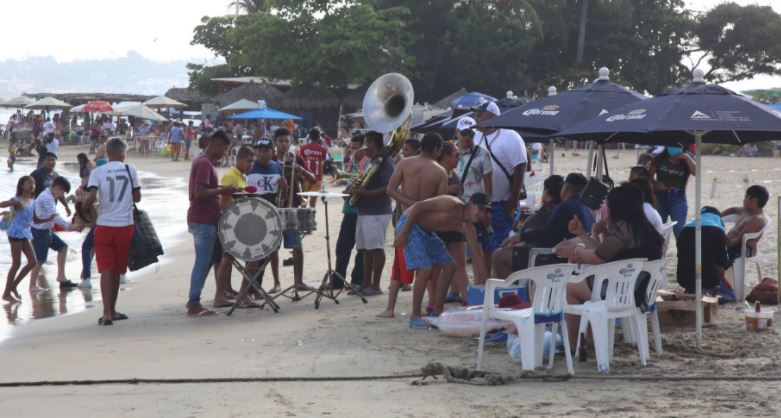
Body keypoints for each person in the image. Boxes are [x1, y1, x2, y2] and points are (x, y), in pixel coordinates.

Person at [554, 184, 664, 346]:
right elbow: (604, 253)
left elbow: (598, 258)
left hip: (620, 291)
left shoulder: (624, 228)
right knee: (583, 286)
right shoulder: (642, 227)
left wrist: (575, 251)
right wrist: (584, 234)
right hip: (636, 290)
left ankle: (573, 344)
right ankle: (589, 341)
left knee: (570, 287)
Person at [395, 193, 491, 327]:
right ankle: (415, 316)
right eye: (480, 209)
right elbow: (418, 206)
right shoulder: (451, 203)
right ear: (470, 204)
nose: (482, 214)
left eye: (485, 211)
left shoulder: (469, 228)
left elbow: (477, 256)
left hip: (427, 233)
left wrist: (489, 283)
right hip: (410, 225)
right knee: (425, 268)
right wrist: (404, 232)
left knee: (450, 265)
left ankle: (437, 310)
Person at [380, 133, 448, 318]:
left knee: (400, 266)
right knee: (427, 267)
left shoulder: (405, 163)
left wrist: (409, 202)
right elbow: (440, 204)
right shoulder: (440, 171)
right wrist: (419, 205)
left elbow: (391, 190)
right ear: (436, 150)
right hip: (424, 224)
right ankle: (427, 307)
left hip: (404, 220)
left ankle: (391, 309)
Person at [82, 138, 141, 325]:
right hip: (125, 225)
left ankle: (107, 313)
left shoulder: (97, 171)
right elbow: (137, 197)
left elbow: (91, 197)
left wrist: (82, 209)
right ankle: (113, 309)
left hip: (105, 224)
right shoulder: (130, 169)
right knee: (117, 269)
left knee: (106, 268)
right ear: (121, 153)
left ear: (107, 153)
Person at [493, 173, 593, 279]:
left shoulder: (565, 206)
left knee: (499, 256)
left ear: (566, 188)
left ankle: (515, 293)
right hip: (571, 260)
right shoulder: (587, 209)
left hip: (550, 258)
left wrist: (520, 237)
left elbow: (546, 231)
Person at [186, 130, 242, 317]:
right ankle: (194, 303)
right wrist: (222, 190)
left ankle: (194, 300)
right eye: (225, 149)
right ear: (216, 145)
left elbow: (205, 188)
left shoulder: (204, 161)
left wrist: (220, 189)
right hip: (202, 219)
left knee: (207, 261)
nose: (225, 154)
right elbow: (199, 193)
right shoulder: (204, 164)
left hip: (205, 218)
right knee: (202, 262)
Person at [473, 101, 527, 269]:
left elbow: (520, 166)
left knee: (500, 245)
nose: (477, 117)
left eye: (480, 114)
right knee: (483, 246)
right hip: (479, 205)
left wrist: (514, 197)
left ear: (492, 116)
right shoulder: (476, 136)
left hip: (503, 203)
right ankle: (486, 279)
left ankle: (501, 281)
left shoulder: (510, 136)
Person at [352, 132, 394, 296]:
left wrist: (365, 193)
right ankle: (366, 283)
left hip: (377, 211)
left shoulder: (385, 163)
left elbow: (389, 187)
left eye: (366, 143)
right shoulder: (372, 161)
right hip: (365, 210)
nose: (364, 147)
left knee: (376, 248)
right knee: (366, 249)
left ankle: (376, 285)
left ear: (373, 144)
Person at [213, 145, 256, 309]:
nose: (251, 164)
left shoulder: (242, 176)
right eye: (248, 161)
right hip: (231, 223)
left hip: (241, 222)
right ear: (238, 160)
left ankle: (235, 293)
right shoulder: (231, 176)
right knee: (227, 260)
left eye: (253, 161)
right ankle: (222, 296)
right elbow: (223, 204)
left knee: (231, 260)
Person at [274, 128, 316, 291]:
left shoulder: (297, 159)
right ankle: (277, 283)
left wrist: (300, 168)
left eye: (286, 141)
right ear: (275, 142)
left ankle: (298, 282)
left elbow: (312, 180)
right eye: (281, 141)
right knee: (273, 248)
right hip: (276, 207)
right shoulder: (271, 160)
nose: (284, 144)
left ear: (290, 142)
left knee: (297, 246)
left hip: (293, 206)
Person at [246, 138, 286, 293]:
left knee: (269, 251)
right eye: (260, 151)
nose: (262, 154)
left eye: (266, 150)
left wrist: (284, 184)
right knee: (255, 253)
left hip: (272, 213)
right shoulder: (250, 166)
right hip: (253, 213)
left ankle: (256, 287)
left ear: (272, 152)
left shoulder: (277, 167)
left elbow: (282, 192)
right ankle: (252, 288)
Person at [30, 177, 83, 291]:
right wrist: (69, 227)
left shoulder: (50, 194)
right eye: (62, 192)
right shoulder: (47, 197)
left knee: (63, 247)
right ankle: (32, 286)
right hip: (39, 231)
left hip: (45, 230)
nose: (61, 195)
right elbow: (55, 217)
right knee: (40, 260)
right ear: (57, 187)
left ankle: (61, 277)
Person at [332, 134, 366, 290]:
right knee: (342, 247)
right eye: (352, 147)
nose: (353, 150)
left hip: (362, 211)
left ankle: (357, 281)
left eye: (356, 147)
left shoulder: (369, 164)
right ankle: (337, 280)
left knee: (361, 249)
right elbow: (350, 180)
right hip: (349, 210)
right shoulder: (354, 164)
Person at [676, 207, 729, 294]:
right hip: (708, 280)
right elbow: (722, 262)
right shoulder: (718, 231)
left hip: (684, 280)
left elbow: (680, 255)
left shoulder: (684, 230)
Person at [1, 177, 37, 302]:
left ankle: (14, 286)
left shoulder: (32, 201)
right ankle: (6, 293)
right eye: (29, 183)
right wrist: (13, 203)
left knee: (33, 262)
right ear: (22, 186)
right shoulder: (17, 199)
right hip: (15, 234)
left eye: (33, 183)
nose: (32, 185)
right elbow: (2, 204)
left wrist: (50, 219)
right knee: (16, 264)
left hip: (25, 233)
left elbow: (36, 220)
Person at [650, 143, 695, 238]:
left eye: (678, 146)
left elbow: (696, 172)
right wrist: (656, 184)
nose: (674, 148)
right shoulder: (659, 159)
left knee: (679, 228)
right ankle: (658, 251)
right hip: (660, 196)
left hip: (678, 197)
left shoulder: (686, 160)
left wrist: (687, 158)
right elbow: (648, 176)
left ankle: (682, 251)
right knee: (658, 228)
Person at [723, 185, 769, 262]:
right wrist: (718, 215)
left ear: (754, 201)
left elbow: (739, 240)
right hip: (734, 245)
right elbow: (733, 210)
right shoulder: (747, 211)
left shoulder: (756, 219)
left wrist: (721, 242)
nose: (743, 200)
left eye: (746, 197)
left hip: (744, 249)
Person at [455, 117, 493, 202]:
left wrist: (487, 206)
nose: (467, 137)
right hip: (452, 205)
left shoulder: (483, 154)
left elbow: (488, 187)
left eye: (471, 134)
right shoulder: (447, 152)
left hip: (473, 206)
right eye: (464, 133)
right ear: (456, 132)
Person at [298, 128, 329, 208]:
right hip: (317, 177)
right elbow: (325, 159)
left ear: (309, 137)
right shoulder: (322, 149)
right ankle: (312, 217)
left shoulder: (303, 148)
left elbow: (300, 160)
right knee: (313, 199)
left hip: (305, 176)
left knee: (304, 198)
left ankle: (303, 217)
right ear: (319, 138)